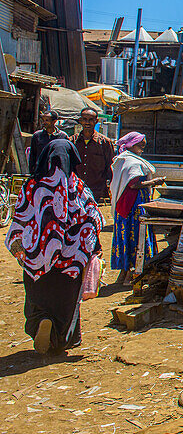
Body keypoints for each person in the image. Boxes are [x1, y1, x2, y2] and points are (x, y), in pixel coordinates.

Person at [5, 140, 103, 353]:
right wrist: (93, 249)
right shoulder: (78, 187)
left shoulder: (32, 185)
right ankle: (59, 339)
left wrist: (19, 248)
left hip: (37, 258)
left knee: (37, 298)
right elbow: (92, 219)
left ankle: (40, 320)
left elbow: (19, 218)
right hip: (69, 261)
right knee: (66, 302)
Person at [109, 132, 165, 284]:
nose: (143, 147)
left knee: (124, 235)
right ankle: (132, 273)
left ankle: (124, 272)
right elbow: (133, 184)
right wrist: (155, 182)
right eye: (141, 144)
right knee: (136, 235)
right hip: (134, 205)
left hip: (124, 206)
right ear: (132, 144)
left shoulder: (123, 159)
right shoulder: (131, 162)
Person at [71, 108, 114, 202]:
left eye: (91, 120)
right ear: (80, 121)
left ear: (96, 121)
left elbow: (110, 167)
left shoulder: (105, 142)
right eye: (85, 119)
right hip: (76, 189)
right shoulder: (72, 141)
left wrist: (109, 189)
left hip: (97, 192)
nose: (87, 122)